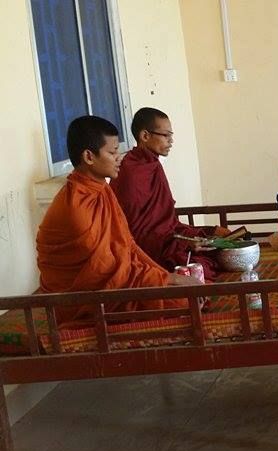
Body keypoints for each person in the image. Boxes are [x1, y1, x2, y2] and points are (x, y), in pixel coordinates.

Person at [36, 116, 200, 324]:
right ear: (89, 156)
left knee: (184, 295)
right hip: (82, 300)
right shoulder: (77, 207)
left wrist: (163, 277)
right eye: (112, 152)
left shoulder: (101, 189)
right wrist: (168, 279)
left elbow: (127, 246)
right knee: (183, 303)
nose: (119, 158)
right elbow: (105, 271)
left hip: (112, 284)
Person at [111, 108, 228, 280]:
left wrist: (198, 234)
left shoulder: (153, 164)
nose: (171, 141)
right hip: (148, 248)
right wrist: (181, 243)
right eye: (166, 135)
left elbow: (166, 222)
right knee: (198, 266)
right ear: (145, 136)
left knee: (220, 244)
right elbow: (137, 232)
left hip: (166, 237)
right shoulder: (130, 171)